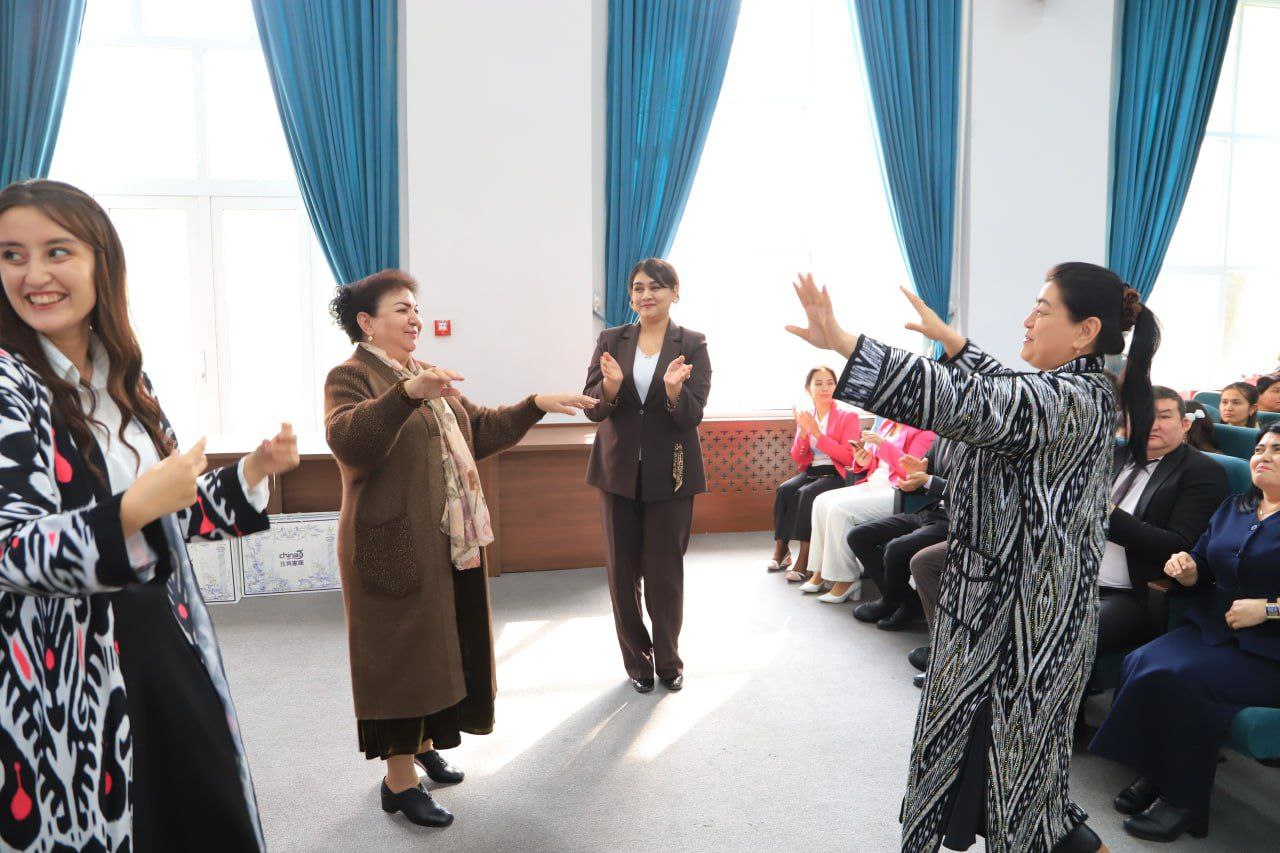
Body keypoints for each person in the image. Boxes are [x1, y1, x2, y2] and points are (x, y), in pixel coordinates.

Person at [788, 262, 1160, 853]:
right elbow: (1003, 390)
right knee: (998, 780)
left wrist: (844, 343)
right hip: (996, 609)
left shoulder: (1071, 400)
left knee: (1023, 795)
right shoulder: (1066, 392)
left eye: (1042, 309)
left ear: (1086, 331)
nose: (1027, 319)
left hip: (1027, 627)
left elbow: (978, 401)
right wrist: (956, 344)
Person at [0, 179, 299, 850]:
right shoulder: (6, 383)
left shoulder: (126, 378)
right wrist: (133, 506)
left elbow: (168, 517)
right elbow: (11, 550)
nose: (34, 274)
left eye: (56, 251)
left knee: (205, 807)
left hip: (161, 633)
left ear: (101, 263)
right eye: (12, 255)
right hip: (65, 668)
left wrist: (252, 471)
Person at [324, 270, 595, 828]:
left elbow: (479, 430)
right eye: (402, 309)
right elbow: (351, 441)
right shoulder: (350, 376)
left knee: (438, 646)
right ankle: (398, 783)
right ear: (366, 322)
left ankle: (423, 745)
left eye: (416, 308)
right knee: (400, 655)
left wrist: (535, 404)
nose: (415, 318)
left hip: (442, 537)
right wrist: (405, 396)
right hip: (389, 543)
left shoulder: (421, 372)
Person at [1090, 424, 1280, 843]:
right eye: (1260, 448)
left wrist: (1268, 609)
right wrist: (1189, 568)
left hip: (1269, 649)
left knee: (1181, 680)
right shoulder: (1236, 507)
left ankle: (1184, 799)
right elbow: (1203, 562)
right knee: (1140, 660)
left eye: (1277, 450)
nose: (1263, 456)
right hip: (1216, 627)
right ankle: (1156, 770)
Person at [583, 258, 710, 694]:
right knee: (622, 574)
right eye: (638, 287)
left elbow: (693, 414)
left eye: (656, 287)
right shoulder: (611, 339)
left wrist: (675, 393)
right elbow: (592, 405)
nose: (646, 295)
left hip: (671, 474)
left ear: (675, 292)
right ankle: (637, 660)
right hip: (617, 471)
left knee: (664, 573)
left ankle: (668, 660)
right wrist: (610, 388)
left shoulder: (692, 343)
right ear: (630, 296)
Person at [1097, 387, 1227, 655]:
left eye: (1163, 416)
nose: (1151, 424)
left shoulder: (1202, 472)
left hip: (1130, 592)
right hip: (1074, 577)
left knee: (1063, 632)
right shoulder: (1113, 456)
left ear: (1185, 424)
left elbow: (1179, 546)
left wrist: (1107, 514)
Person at [792, 416, 935, 603]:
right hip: (873, 484)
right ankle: (820, 571)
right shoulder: (887, 425)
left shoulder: (924, 432)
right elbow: (875, 463)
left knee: (839, 510)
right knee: (820, 501)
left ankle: (846, 579)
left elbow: (912, 472)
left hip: (895, 491)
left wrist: (882, 445)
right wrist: (864, 460)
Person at [849, 437, 955, 630]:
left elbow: (970, 491)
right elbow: (924, 471)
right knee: (858, 536)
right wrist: (915, 477)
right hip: (932, 512)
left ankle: (892, 603)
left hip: (954, 521)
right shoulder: (942, 437)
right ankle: (905, 601)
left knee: (896, 548)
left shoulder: (976, 442)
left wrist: (929, 481)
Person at [769, 366, 864, 573]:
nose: (825, 388)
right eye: (819, 384)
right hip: (813, 471)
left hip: (838, 474)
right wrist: (804, 433)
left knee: (807, 493)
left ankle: (805, 558)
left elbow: (849, 457)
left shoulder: (848, 416)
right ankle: (781, 549)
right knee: (785, 489)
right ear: (808, 389)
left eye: (830, 383)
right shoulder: (807, 415)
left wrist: (818, 434)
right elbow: (798, 457)